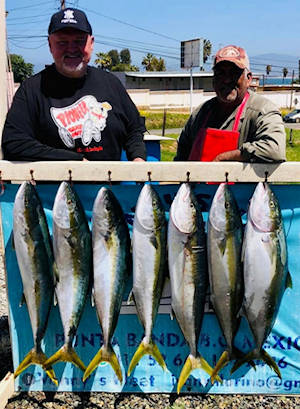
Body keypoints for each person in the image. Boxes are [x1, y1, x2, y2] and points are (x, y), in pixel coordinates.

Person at [2, 8, 146, 162]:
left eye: (79, 41)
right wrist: (75, 161)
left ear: (91, 43)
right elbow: (14, 143)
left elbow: (134, 129)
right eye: (62, 42)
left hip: (109, 185)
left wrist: (138, 158)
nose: (71, 49)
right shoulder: (32, 89)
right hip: (55, 186)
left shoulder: (111, 83)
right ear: (50, 45)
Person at [174, 45, 286, 163]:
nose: (226, 80)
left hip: (241, 181)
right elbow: (182, 156)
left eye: (234, 73)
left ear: (249, 79)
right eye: (220, 73)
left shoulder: (262, 110)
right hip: (199, 180)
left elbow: (275, 149)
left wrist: (226, 157)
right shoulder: (200, 113)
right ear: (213, 80)